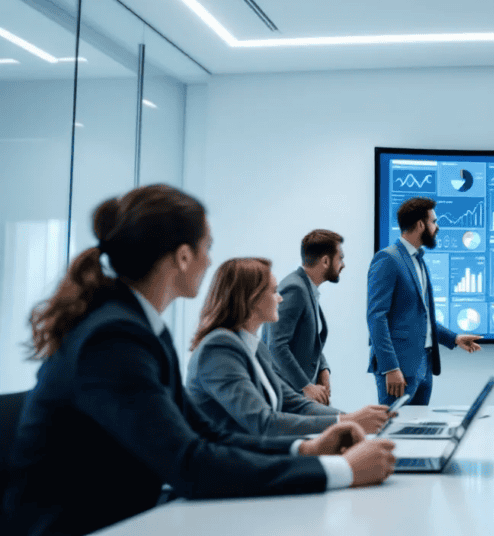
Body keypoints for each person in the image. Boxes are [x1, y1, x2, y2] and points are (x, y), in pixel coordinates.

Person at [4, 185, 396, 536]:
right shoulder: (113, 337)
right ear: (184, 256)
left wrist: (305, 450)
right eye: (207, 247)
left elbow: (205, 433)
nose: (211, 261)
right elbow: (189, 463)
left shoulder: (139, 327)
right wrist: (342, 471)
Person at [187, 258, 392, 437]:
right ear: (253, 299)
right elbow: (264, 423)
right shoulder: (218, 350)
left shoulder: (255, 349)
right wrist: (346, 423)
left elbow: (295, 404)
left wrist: (355, 419)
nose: (280, 297)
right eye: (274, 291)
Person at [367, 197, 482, 406]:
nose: (437, 227)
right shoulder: (387, 259)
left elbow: (422, 317)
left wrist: (454, 338)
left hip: (424, 366)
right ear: (420, 224)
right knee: (394, 431)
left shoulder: (418, 260)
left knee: (418, 433)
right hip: (398, 369)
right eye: (434, 222)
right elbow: (376, 317)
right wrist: (390, 368)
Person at [264, 229, 343, 405]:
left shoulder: (307, 288)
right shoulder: (295, 289)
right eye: (341, 258)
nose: (343, 264)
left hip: (300, 393)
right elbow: (276, 345)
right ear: (325, 261)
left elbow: (310, 339)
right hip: (287, 395)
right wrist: (305, 386)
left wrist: (323, 369)